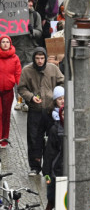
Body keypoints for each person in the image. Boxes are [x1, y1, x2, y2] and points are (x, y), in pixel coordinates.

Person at [17, 47, 64, 175]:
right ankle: (35, 166)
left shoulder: (53, 68)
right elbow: (21, 88)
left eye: (42, 58)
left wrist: (57, 96)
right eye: (37, 58)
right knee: (34, 138)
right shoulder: (27, 70)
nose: (39, 61)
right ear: (34, 59)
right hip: (35, 110)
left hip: (50, 110)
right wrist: (31, 97)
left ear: (45, 58)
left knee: (52, 138)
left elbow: (62, 82)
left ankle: (51, 166)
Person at [0, 36, 21, 149]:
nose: (5, 44)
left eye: (7, 42)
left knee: (6, 115)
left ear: (10, 43)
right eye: (3, 42)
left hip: (8, 91)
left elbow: (18, 73)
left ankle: (4, 139)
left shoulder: (15, 58)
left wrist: (21, 87)